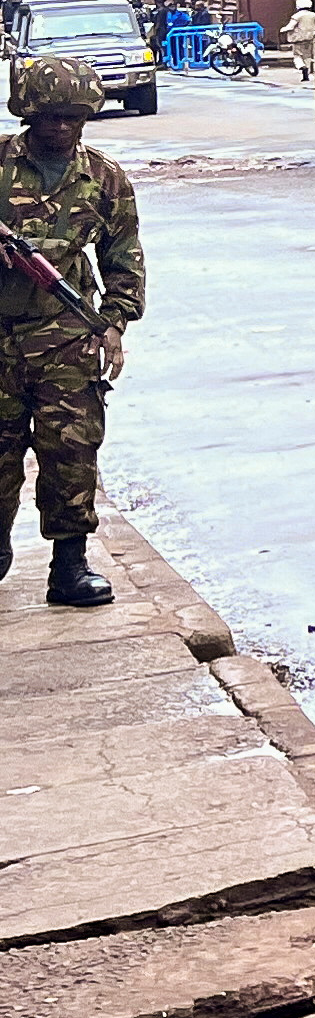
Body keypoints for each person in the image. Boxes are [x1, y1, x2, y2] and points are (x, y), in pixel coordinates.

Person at [0, 58, 141, 607]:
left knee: (71, 451)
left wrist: (114, 324)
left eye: (73, 117)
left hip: (65, 334)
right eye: (50, 116)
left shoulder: (103, 177)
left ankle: (70, 565)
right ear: (29, 114)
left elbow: (123, 258)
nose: (61, 127)